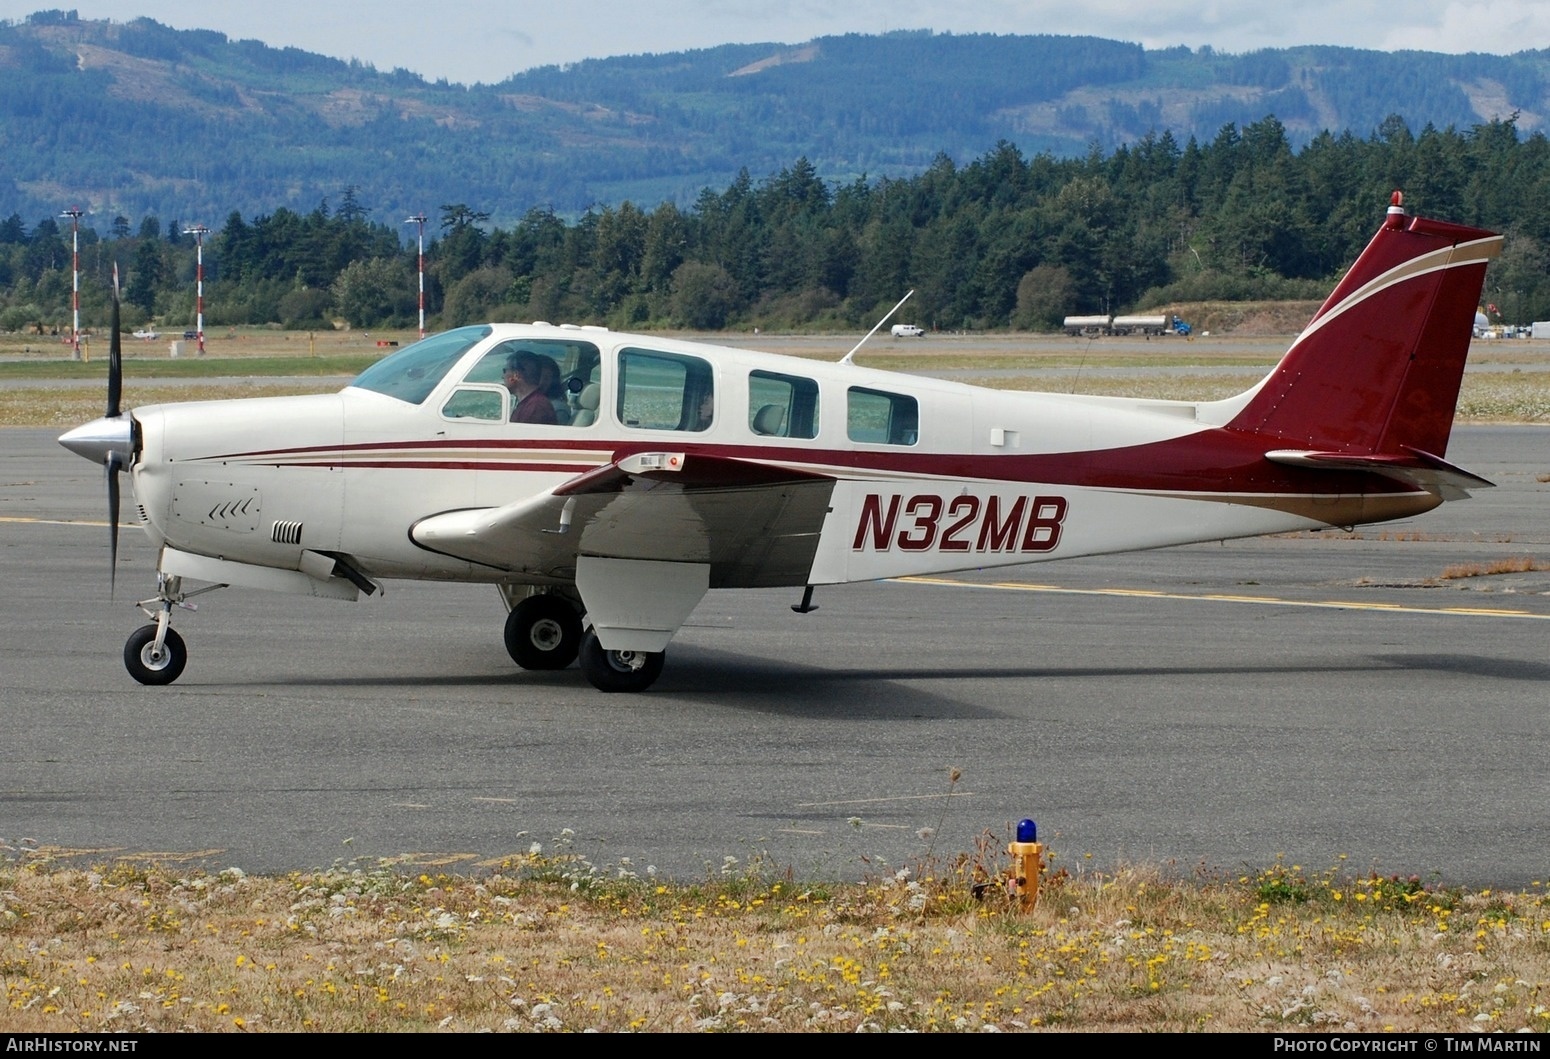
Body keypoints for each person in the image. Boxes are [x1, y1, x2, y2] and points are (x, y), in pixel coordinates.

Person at [504, 351, 558, 425]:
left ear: (516, 375)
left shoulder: (536, 407)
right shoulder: (531, 403)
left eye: (505, 371)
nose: (503, 376)